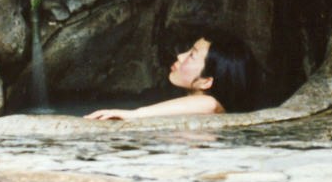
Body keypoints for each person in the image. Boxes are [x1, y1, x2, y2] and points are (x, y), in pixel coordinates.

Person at [87, 32, 258, 122]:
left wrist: (133, 115)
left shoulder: (210, 104)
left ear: (206, 81)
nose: (180, 56)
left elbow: (209, 105)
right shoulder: (189, 105)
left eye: (192, 55)